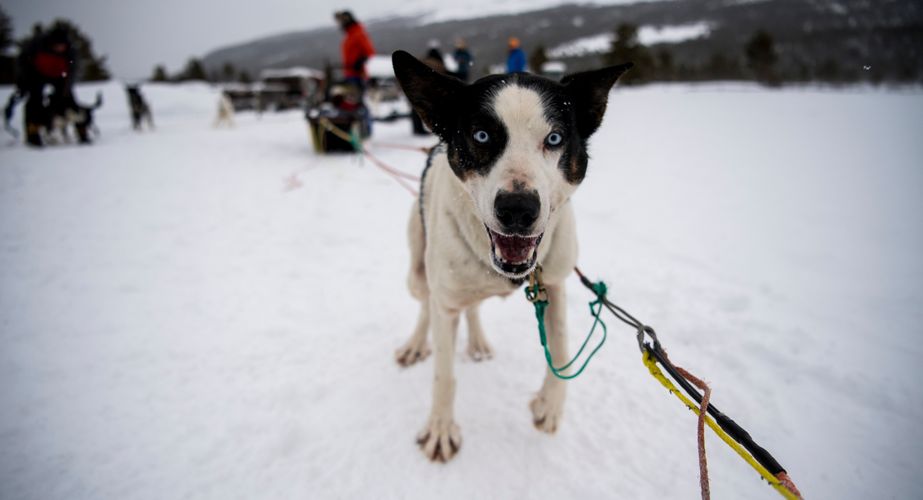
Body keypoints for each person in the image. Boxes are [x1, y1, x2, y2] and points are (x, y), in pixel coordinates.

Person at [14, 26, 81, 146]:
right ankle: (33, 133)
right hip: (36, 75)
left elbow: (73, 70)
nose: (60, 48)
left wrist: (65, 89)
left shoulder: (70, 51)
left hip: (60, 76)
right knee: (34, 102)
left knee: (68, 101)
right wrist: (23, 83)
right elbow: (23, 63)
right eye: (57, 45)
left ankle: (82, 131)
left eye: (62, 46)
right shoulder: (36, 45)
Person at [334, 10, 375, 94]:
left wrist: (361, 61)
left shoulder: (358, 34)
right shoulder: (349, 36)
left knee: (358, 98)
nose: (340, 24)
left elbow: (370, 52)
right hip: (349, 74)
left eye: (342, 21)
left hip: (359, 76)